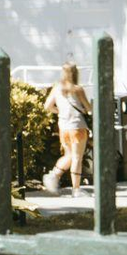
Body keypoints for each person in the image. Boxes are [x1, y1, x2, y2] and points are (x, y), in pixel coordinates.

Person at [42, 63, 92, 196]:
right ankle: (76, 190)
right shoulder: (78, 89)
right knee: (77, 158)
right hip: (77, 127)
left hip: (63, 127)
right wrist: (86, 110)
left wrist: (59, 111)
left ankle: (53, 175)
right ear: (75, 73)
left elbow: (47, 106)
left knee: (69, 155)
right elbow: (89, 108)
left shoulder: (57, 88)